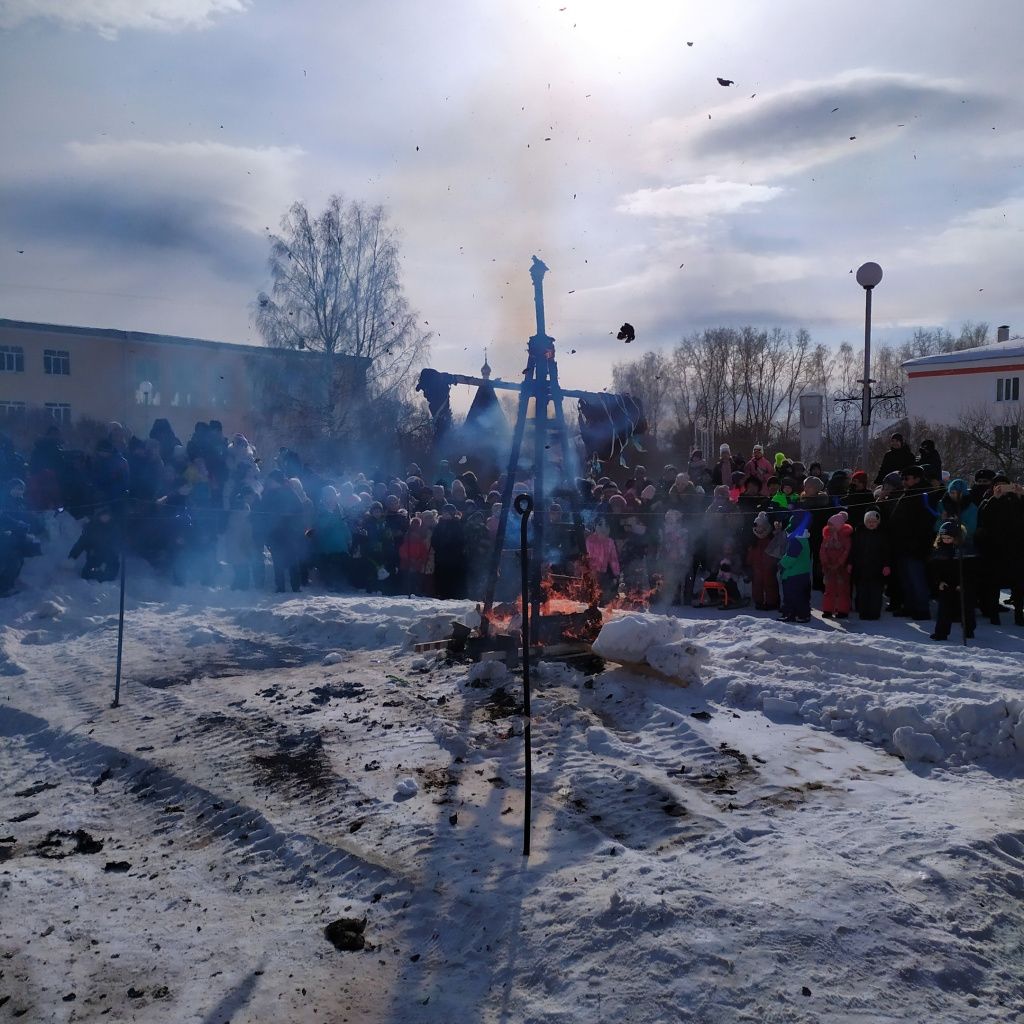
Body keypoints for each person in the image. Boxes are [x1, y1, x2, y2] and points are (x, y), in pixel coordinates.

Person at [886, 465, 934, 619]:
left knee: (916, 578)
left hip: (915, 545)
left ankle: (922, 609)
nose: (904, 481)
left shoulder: (924, 494)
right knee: (906, 578)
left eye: (906, 478)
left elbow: (924, 523)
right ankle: (909, 606)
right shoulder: (908, 493)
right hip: (902, 544)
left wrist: (915, 542)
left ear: (917, 479)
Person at [928, 521, 976, 641]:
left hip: (962, 584)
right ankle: (941, 633)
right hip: (946, 584)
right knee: (944, 609)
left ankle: (969, 630)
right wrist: (939, 581)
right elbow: (934, 569)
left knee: (966, 608)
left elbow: (970, 570)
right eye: (943, 538)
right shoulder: (939, 550)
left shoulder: (964, 550)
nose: (946, 540)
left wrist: (963, 582)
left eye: (949, 538)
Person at [261, 469, 304, 593]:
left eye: (271, 480)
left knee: (293, 561)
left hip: (290, 533)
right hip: (275, 534)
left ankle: (296, 586)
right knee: (278, 561)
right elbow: (264, 515)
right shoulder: (269, 494)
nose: (269, 483)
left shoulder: (289, 492)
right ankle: (280, 586)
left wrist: (289, 517)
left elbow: (299, 510)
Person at [851, 510, 891, 620]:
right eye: (869, 521)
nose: (871, 523)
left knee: (876, 592)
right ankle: (863, 612)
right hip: (862, 568)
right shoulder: (859, 533)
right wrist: (851, 563)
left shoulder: (882, 535)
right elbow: (854, 550)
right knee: (862, 591)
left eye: (874, 521)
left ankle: (874, 613)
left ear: (878, 522)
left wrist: (886, 565)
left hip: (877, 569)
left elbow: (886, 551)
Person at [778, 511, 812, 623]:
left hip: (793, 574)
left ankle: (793, 613)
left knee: (793, 596)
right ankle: (799, 614)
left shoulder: (796, 540)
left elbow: (791, 557)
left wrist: (782, 563)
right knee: (801, 596)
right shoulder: (804, 539)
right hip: (803, 573)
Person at [819, 510, 853, 619]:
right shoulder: (827, 536)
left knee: (843, 589)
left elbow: (846, 551)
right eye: (829, 525)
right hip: (829, 566)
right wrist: (825, 562)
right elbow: (822, 550)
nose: (830, 527)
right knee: (829, 589)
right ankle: (828, 609)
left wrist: (839, 563)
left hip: (841, 567)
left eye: (832, 525)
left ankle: (843, 610)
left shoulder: (845, 538)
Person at [746, 512, 781, 611]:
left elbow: (776, 553)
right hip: (756, 567)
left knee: (770, 584)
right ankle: (759, 601)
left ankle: (772, 602)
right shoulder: (753, 541)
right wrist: (748, 564)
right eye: (757, 527)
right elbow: (751, 554)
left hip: (769, 567)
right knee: (757, 584)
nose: (758, 529)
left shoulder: (771, 540)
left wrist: (775, 564)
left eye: (761, 527)